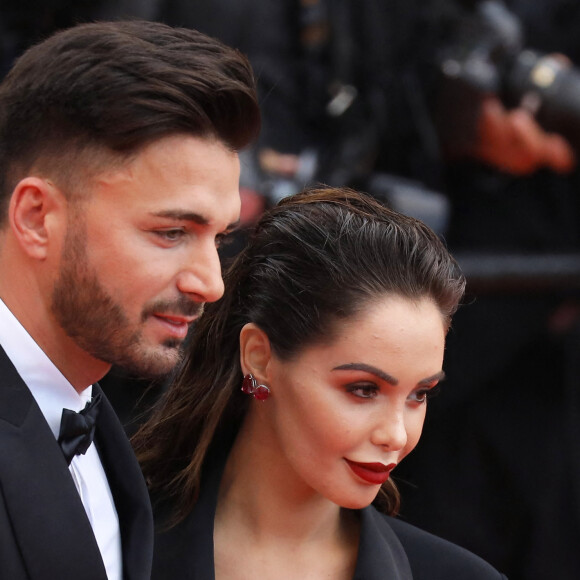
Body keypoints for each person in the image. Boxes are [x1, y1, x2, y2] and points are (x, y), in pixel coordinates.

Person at [134, 187, 507, 579]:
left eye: (419, 395)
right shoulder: (114, 543)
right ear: (260, 358)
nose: (396, 436)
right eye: (363, 389)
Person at [0, 20, 260, 580]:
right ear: (36, 218)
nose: (211, 283)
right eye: (171, 233)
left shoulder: (100, 429)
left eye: (220, 238)